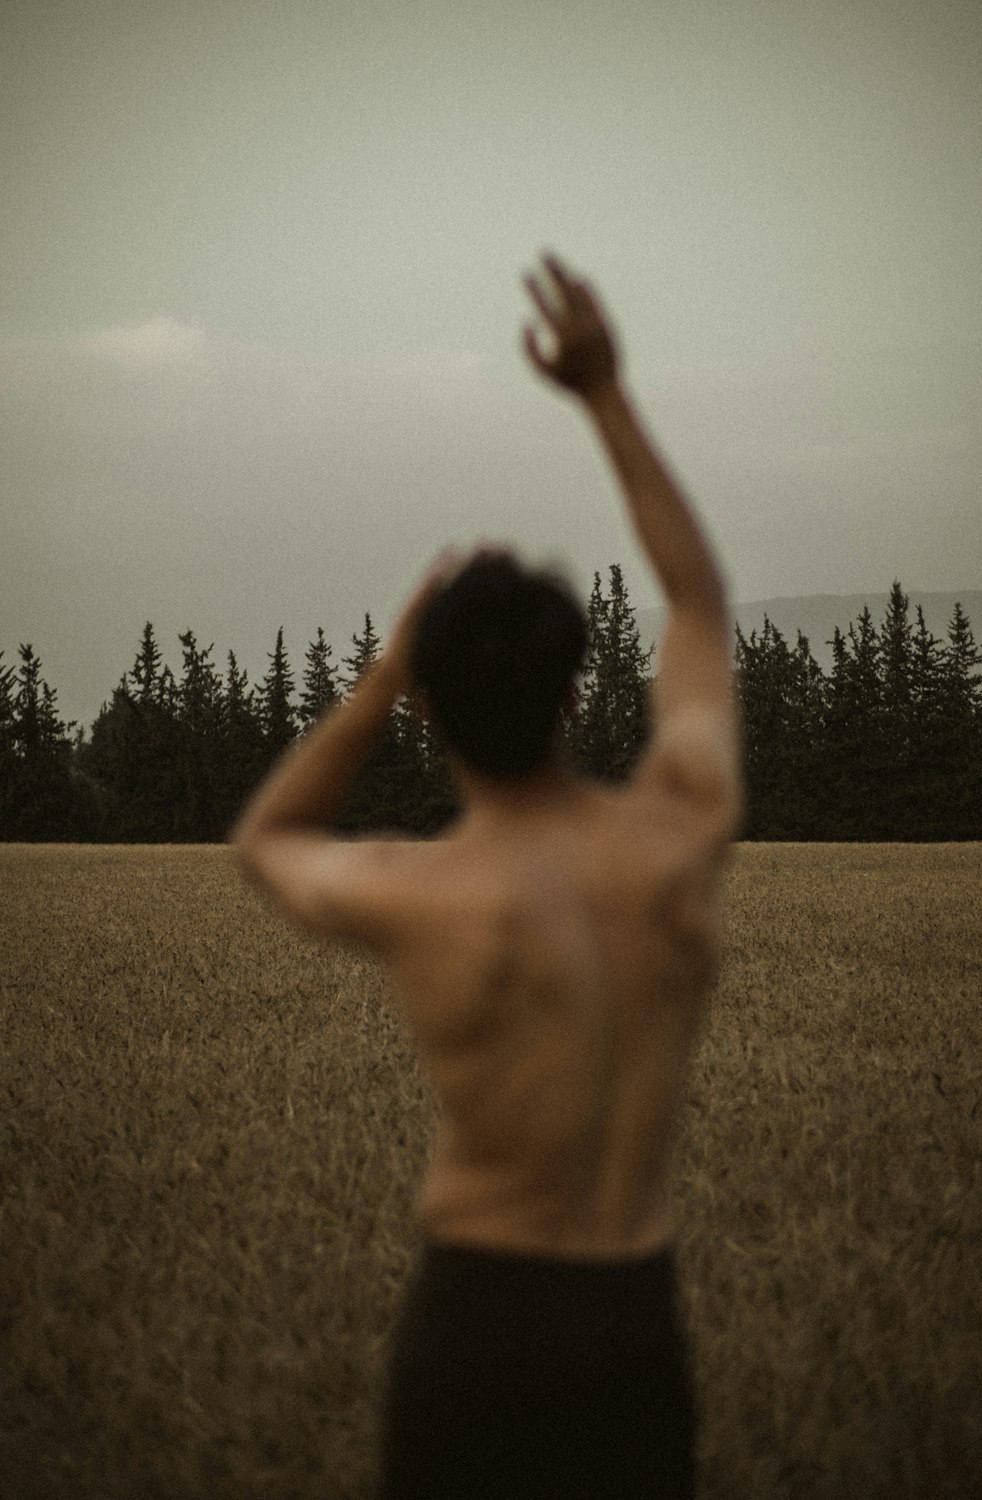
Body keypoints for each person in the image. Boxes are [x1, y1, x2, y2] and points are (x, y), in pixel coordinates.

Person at [230, 253, 743, 1499]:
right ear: (576, 689)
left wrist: (379, 676)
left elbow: (267, 842)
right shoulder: (677, 831)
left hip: (481, 1316)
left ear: (428, 714)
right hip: (630, 1314)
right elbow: (694, 602)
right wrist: (605, 395)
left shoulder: (420, 892)